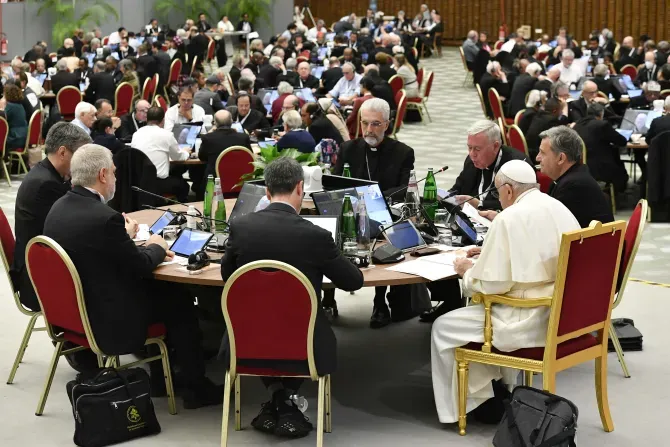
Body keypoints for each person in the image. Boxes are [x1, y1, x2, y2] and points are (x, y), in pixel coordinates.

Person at [44, 143, 223, 407]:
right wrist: (157, 246)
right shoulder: (105, 218)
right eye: (114, 172)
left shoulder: (58, 207)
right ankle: (195, 386)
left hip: (74, 311)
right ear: (103, 174)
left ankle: (162, 378)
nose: (116, 179)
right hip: (108, 318)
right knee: (178, 298)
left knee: (162, 292)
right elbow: (141, 265)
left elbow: (97, 249)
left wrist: (124, 237)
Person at [221, 157, 363, 438]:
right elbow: (353, 281)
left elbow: (229, 276)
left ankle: (278, 397)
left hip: (247, 341)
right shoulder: (316, 236)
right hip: (304, 344)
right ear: (300, 188)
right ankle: (286, 403)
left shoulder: (240, 227)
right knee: (305, 324)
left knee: (263, 322)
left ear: (267, 191)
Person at [431, 159, 580, 425]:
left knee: (443, 327)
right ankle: (492, 393)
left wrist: (466, 271)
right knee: (471, 322)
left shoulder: (509, 217)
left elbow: (491, 286)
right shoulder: (558, 207)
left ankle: (463, 407)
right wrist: (490, 250)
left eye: (499, 192)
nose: (499, 199)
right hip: (561, 312)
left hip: (525, 318)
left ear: (509, 190)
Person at [11, 123, 95, 371]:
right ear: (63, 152)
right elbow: (69, 232)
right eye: (81, 154)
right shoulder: (46, 185)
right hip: (38, 280)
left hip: (35, 267)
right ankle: (87, 347)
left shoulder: (45, 175)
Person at [534, 126, 613, 228]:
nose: (537, 158)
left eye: (543, 153)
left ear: (561, 158)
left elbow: (550, 227)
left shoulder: (572, 186)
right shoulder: (573, 176)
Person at [448, 120, 532, 210]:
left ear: (495, 146)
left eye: (477, 149)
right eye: (469, 147)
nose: (472, 154)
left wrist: (480, 204)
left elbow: (518, 204)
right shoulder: (471, 161)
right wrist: (443, 197)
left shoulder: (516, 166)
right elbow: (457, 189)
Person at [131, 106, 191, 201]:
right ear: (163, 120)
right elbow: (178, 157)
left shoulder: (136, 134)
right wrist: (186, 152)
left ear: (146, 119)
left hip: (138, 181)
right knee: (184, 186)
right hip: (158, 182)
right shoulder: (167, 135)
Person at [573, 102, 628, 193]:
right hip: (600, 168)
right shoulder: (602, 125)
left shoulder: (577, 125)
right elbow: (622, 141)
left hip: (580, 166)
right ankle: (616, 195)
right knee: (621, 171)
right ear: (601, 113)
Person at [198, 109, 251, 187]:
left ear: (215, 123)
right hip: (240, 182)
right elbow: (250, 157)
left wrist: (209, 133)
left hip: (216, 182)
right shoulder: (243, 137)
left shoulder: (208, 138)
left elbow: (202, 157)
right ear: (231, 121)